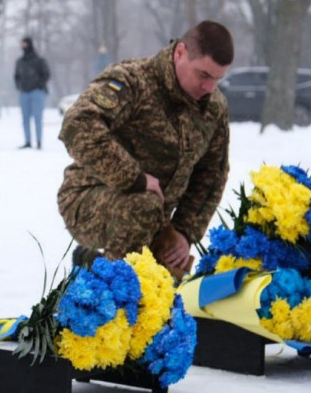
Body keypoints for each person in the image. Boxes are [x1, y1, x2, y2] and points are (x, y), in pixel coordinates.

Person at [57, 20, 233, 278]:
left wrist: (183, 233)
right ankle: (108, 291)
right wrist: (133, 178)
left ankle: (95, 266)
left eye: (218, 79)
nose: (209, 87)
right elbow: (77, 125)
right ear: (180, 53)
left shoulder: (213, 107)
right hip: (88, 198)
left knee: (170, 275)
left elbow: (211, 174)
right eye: (203, 75)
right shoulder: (134, 80)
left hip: (153, 218)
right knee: (144, 207)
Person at [14, 37, 50, 149]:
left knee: (37, 118)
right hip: (24, 93)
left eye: (25, 44)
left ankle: (39, 142)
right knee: (25, 119)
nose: (23, 46)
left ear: (30, 44)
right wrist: (19, 86)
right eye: (22, 44)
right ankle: (28, 142)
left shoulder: (39, 60)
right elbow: (16, 76)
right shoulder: (20, 62)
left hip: (37, 92)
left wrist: (40, 84)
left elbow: (46, 74)